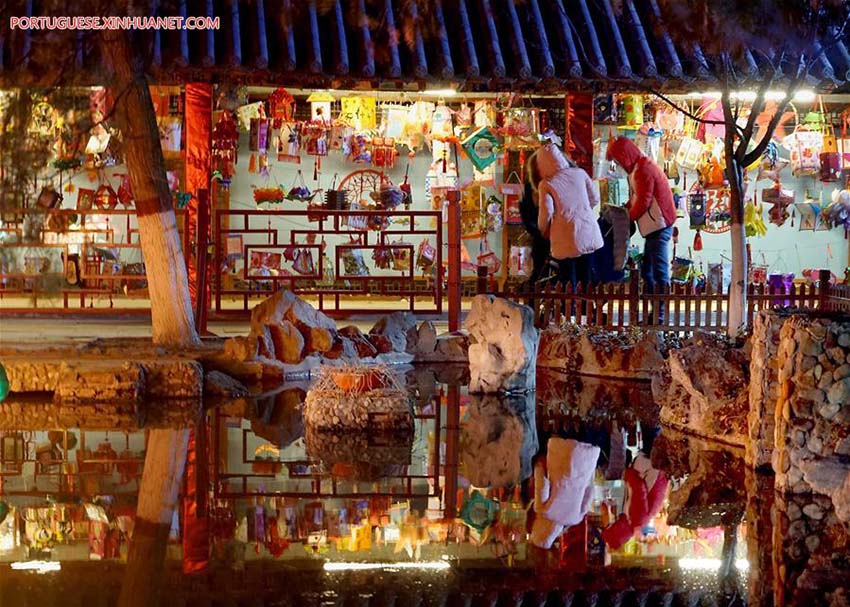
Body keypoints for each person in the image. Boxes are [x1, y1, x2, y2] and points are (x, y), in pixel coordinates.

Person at [606, 136, 676, 323]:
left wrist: (626, 216)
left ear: (625, 156)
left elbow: (643, 201)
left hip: (659, 226)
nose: (619, 165)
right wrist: (626, 209)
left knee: (657, 271)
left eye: (618, 161)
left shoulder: (643, 170)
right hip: (654, 226)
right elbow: (637, 198)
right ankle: (653, 313)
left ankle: (659, 315)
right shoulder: (638, 168)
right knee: (648, 271)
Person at [536, 143, 603, 291]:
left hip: (564, 236)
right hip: (587, 230)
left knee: (568, 277)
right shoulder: (580, 173)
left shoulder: (546, 184)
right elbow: (595, 198)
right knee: (586, 274)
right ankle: (587, 308)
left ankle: (571, 309)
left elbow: (546, 211)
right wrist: (583, 209)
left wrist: (541, 229)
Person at [519, 150, 550, 289]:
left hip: (551, 232)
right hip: (541, 233)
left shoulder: (550, 183)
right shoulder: (530, 185)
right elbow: (525, 210)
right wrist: (536, 230)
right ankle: (532, 295)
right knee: (539, 266)